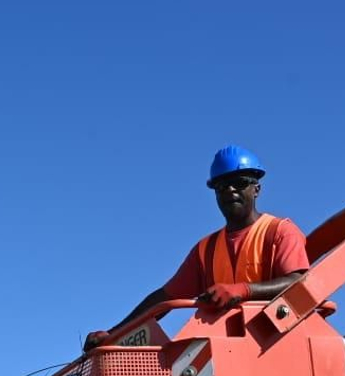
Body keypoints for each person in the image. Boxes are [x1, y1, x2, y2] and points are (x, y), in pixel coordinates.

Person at [85, 145, 310, 348]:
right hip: (226, 353)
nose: (230, 190)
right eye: (222, 186)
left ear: (256, 189)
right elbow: (165, 298)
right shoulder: (206, 249)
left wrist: (243, 290)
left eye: (240, 182)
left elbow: (298, 282)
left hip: (278, 346)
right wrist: (114, 334)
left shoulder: (279, 231)